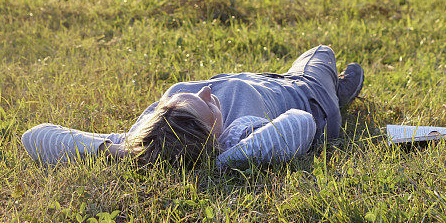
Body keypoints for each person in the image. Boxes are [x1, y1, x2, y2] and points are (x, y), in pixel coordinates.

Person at [21, 45, 364, 168]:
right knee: (321, 52)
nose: (204, 91)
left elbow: (34, 136)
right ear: (215, 136)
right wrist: (224, 159)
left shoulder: (147, 136)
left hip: (255, 78)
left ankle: (335, 90)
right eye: (208, 107)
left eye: (187, 95)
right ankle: (336, 95)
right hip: (304, 93)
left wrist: (118, 150)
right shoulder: (239, 136)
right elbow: (301, 122)